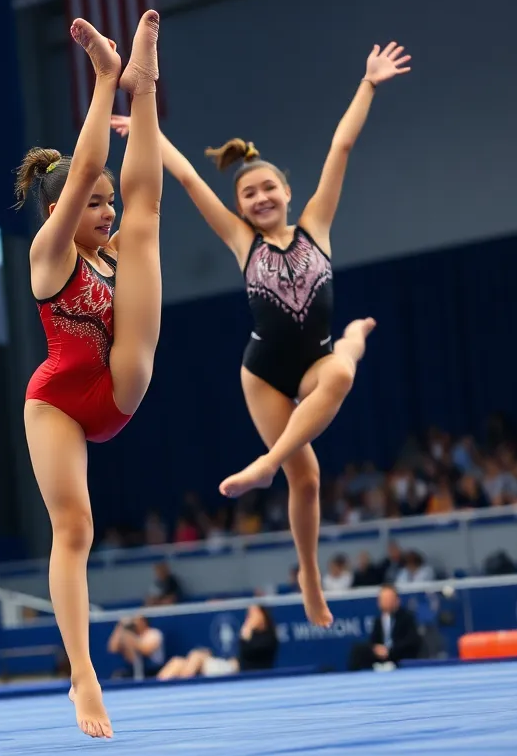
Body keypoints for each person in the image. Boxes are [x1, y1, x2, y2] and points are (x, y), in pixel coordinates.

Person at [111, 41, 412, 626]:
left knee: (344, 364)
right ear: (242, 208)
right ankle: (310, 576)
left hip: (317, 357)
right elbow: (189, 178)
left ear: (288, 193)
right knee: (310, 475)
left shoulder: (317, 225)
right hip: (265, 372)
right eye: (249, 194)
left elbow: (341, 145)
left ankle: (272, 455)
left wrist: (369, 83)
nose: (260, 197)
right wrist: (143, 130)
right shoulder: (240, 242)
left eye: (268, 188)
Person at [12, 10, 163, 739]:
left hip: (119, 387)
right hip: (60, 403)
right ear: (58, 210)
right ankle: (83, 675)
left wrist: (131, 93)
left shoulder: (114, 253)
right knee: (74, 528)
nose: (101, 210)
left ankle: (147, 85)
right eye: (91, 202)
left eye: (107, 200)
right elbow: (83, 174)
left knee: (149, 223)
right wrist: (99, 83)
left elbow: (134, 195)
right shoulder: (51, 254)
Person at [156, 604, 279, 679]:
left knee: (197, 656)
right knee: (177, 662)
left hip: (235, 672)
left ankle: (183, 683)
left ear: (263, 615)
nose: (249, 618)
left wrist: (248, 628)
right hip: (229, 665)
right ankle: (157, 688)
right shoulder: (250, 635)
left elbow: (247, 654)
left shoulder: (268, 637)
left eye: (253, 614)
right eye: (248, 615)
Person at [348, 585, 422, 670]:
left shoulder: (406, 617)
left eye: (387, 599)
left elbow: (412, 640)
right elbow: (373, 641)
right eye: (382, 599)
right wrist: (376, 648)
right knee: (358, 650)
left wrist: (389, 650)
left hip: (398, 654)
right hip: (381, 656)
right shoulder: (379, 620)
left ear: (396, 600)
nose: (383, 602)